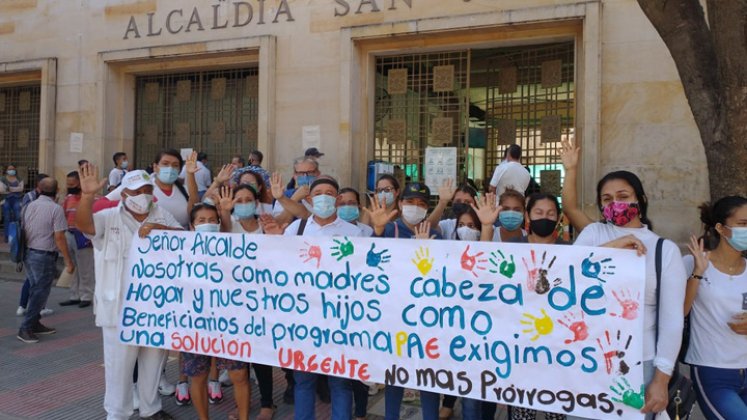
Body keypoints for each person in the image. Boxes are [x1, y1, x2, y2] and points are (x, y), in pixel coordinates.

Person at [570, 170, 686, 420]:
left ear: (640, 200)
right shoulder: (592, 234)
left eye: (623, 196)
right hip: (586, 362)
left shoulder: (664, 250)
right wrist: (612, 248)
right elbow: (567, 274)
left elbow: (672, 321)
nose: (615, 204)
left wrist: (661, 379)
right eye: (607, 199)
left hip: (637, 365)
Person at [76, 166, 181, 420]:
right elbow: (84, 226)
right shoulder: (109, 216)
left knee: (154, 361)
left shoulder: (162, 214)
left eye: (147, 190)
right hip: (119, 308)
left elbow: (185, 242)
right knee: (119, 365)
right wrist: (87, 196)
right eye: (137, 191)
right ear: (124, 194)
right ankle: (117, 413)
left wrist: (160, 229)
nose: (143, 195)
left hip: (156, 307)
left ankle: (150, 408)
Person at [283, 177, 361, 420]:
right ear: (309, 199)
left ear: (337, 199)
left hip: (340, 319)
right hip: (304, 318)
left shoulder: (354, 232)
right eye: (319, 193)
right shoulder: (295, 229)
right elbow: (282, 268)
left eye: (330, 193)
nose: (324, 197)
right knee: (304, 381)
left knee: (340, 383)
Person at [181, 203, 252, 420]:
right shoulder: (179, 250)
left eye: (212, 220)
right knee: (199, 376)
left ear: (219, 223)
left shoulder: (235, 249)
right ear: (192, 226)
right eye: (201, 221)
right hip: (194, 323)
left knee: (239, 375)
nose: (208, 224)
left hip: (229, 322)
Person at [504, 193, 568, 420]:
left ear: (558, 218)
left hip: (557, 343)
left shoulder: (569, 251)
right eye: (539, 213)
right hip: (520, 343)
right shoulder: (512, 247)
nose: (545, 218)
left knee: (557, 409)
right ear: (528, 216)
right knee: (522, 410)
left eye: (551, 213)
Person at [684, 196, 747, 419]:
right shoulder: (693, 262)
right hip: (712, 369)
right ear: (721, 228)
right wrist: (698, 273)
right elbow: (679, 312)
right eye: (743, 224)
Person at [16, 177, 75, 344]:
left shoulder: (28, 206)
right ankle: (26, 328)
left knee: (36, 290)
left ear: (38, 190)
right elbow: (59, 237)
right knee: (40, 293)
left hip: (28, 253)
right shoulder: (56, 209)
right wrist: (69, 261)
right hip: (43, 255)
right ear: (56, 192)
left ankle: (34, 323)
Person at [15, 173, 54, 317]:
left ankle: (24, 306)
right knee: (39, 281)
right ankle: (33, 310)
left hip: (31, 244)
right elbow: (24, 218)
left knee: (32, 279)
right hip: (36, 245)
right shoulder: (31, 198)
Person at [59, 171, 95, 308]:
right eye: (68, 184)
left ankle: (86, 296)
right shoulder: (68, 199)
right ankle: (74, 295)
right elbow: (63, 214)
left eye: (72, 184)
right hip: (69, 234)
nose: (69, 186)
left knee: (86, 268)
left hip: (83, 235)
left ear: (80, 184)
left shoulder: (91, 199)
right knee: (72, 267)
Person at [559, 139, 593, 233]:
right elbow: (570, 209)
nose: (615, 202)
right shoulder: (598, 232)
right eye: (607, 199)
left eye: (624, 196)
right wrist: (571, 169)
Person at [1, 164, 24, 242]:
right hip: (6, 200)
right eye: (10, 169)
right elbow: (1, 190)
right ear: (7, 170)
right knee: (7, 218)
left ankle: (17, 236)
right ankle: (7, 236)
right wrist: (15, 189)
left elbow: (21, 189)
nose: (12, 171)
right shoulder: (2, 178)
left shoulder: (19, 178)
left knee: (17, 217)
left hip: (17, 199)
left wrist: (9, 189)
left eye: (13, 169)